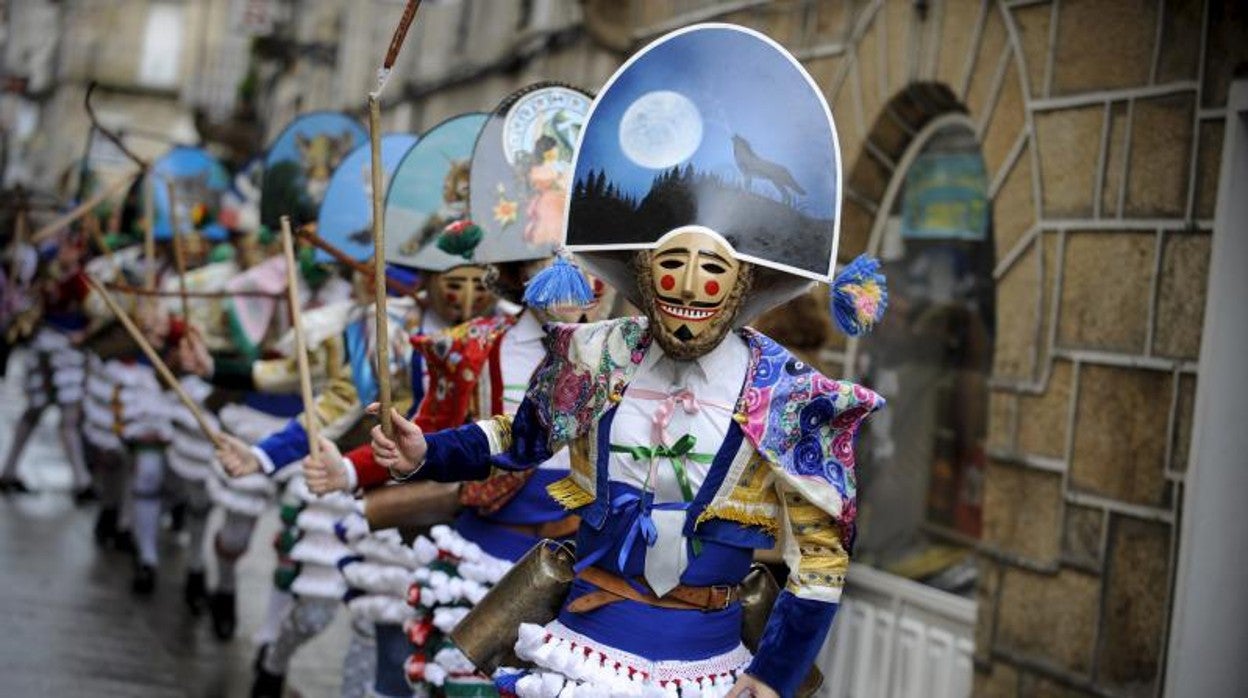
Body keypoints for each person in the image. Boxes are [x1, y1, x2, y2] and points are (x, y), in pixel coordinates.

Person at [369, 25, 888, 698]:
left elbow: (822, 561)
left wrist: (772, 677)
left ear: (745, 286)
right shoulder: (596, 352)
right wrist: (426, 452)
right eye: (672, 266)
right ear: (643, 275)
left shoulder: (788, 394)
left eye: (712, 271)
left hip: (709, 673)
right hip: (582, 652)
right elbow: (518, 437)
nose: (689, 286)